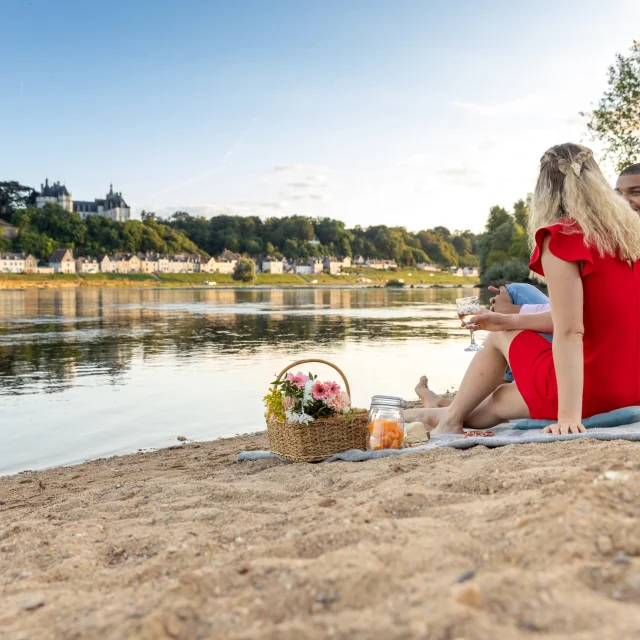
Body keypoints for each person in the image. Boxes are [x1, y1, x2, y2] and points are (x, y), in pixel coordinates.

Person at [405, 143, 640, 435]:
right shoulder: (630, 237)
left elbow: (571, 331)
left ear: (544, 190)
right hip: (631, 387)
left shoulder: (562, 237)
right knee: (499, 401)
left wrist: (568, 417)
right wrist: (508, 319)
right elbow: (584, 317)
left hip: (589, 392)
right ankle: (436, 413)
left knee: (498, 339)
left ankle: (447, 420)